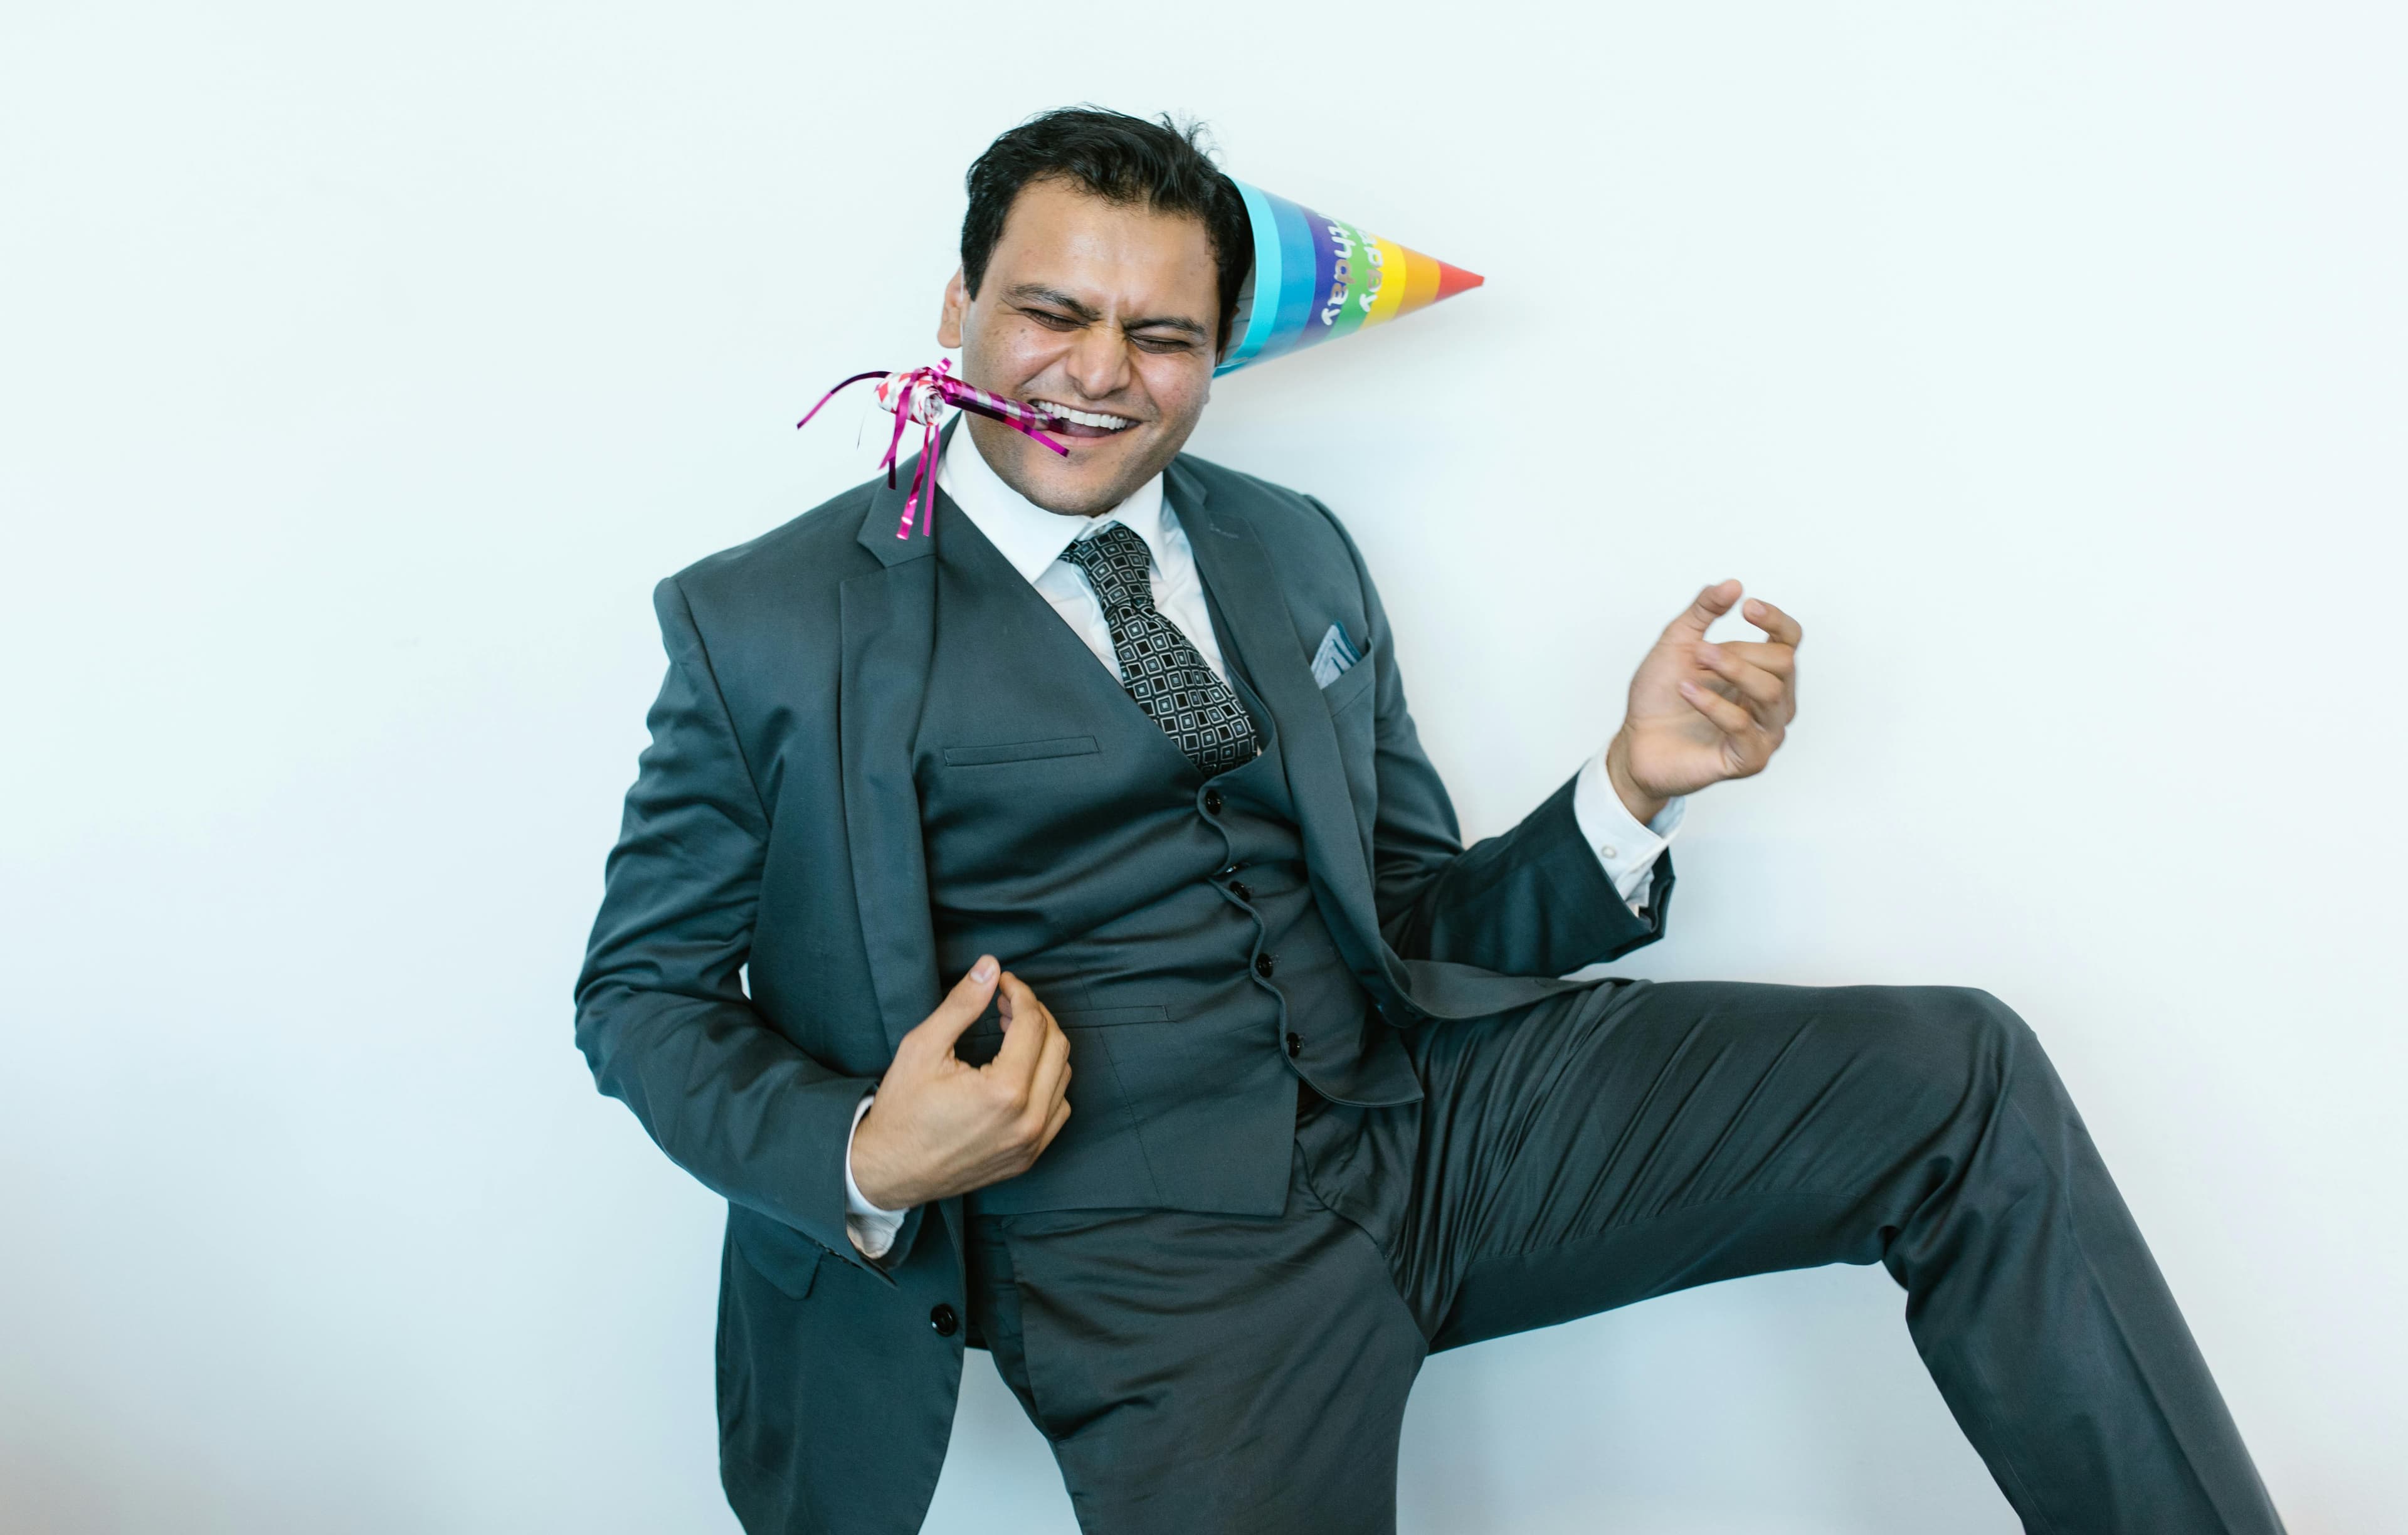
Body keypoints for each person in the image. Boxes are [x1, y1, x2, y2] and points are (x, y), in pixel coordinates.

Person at [575, 107, 2283, 1535]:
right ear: (957, 303)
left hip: (1438, 1128)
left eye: (1161, 335)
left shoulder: (1290, 548)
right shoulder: (768, 621)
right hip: (1147, 1260)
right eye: (1048, 312)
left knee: (1957, 1078)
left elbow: (1410, 917)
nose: (1097, 374)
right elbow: (637, 996)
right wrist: (868, 1154)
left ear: (1216, 355)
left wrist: (1631, 789)